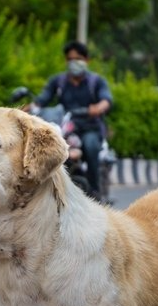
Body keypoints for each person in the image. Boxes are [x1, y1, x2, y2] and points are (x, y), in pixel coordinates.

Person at [30, 40, 112, 201]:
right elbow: (41, 100)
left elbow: (106, 100)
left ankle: (95, 194)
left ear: (87, 60)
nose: (74, 62)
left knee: (90, 146)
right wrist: (24, 109)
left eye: (78, 58)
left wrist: (97, 108)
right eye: (70, 59)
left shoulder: (96, 82)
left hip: (89, 128)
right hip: (65, 128)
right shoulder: (58, 81)